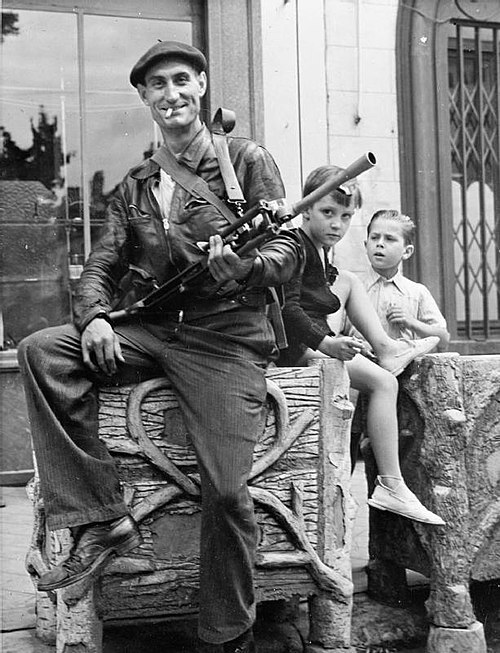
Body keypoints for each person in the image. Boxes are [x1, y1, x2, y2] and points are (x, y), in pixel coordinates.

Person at [17, 41, 303, 653]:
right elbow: (101, 262)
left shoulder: (247, 161)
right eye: (157, 85)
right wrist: (94, 317)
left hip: (226, 340)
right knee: (43, 351)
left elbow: (288, 250)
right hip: (154, 330)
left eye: (181, 81)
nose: (171, 94)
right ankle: (102, 515)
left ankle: (227, 635)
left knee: (227, 492)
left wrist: (245, 271)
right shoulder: (137, 185)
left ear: (200, 85)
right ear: (144, 97)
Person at [279, 164, 445, 526]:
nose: (337, 224)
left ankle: (387, 349)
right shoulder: (295, 246)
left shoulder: (318, 249)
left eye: (345, 216)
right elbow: (287, 309)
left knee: (349, 280)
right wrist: (327, 343)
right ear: (305, 208)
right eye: (327, 213)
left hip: (315, 336)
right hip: (300, 347)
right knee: (384, 383)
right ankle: (391, 483)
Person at [351, 209, 450, 350]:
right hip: (360, 366)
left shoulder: (417, 293)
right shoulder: (352, 288)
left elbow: (443, 340)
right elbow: (332, 335)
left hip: (407, 368)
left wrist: (411, 322)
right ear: (366, 245)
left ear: (407, 251)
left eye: (389, 239)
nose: (380, 244)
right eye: (374, 237)